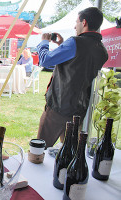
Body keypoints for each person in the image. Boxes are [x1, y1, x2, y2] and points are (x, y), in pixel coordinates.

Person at [36, 7, 108, 148]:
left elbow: (45, 60)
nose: (75, 26)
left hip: (59, 106)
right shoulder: (102, 50)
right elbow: (79, 65)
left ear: (84, 22)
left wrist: (44, 43)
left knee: (40, 148)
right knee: (69, 150)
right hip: (80, 108)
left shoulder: (75, 42)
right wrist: (63, 46)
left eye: (77, 22)